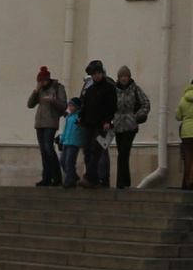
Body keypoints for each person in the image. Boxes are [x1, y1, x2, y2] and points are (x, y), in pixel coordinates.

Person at [77, 60, 118, 189]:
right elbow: (85, 106)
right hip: (89, 124)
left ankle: (91, 177)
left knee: (97, 150)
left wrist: (107, 121)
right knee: (87, 151)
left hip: (102, 125)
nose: (97, 76)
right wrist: (81, 118)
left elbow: (112, 106)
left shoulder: (109, 88)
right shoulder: (90, 90)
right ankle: (92, 177)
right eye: (95, 74)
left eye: (99, 73)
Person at [25, 67, 67, 186]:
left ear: (48, 79)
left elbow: (64, 105)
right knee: (43, 150)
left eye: (43, 81)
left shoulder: (58, 88)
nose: (42, 83)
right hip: (40, 123)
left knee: (49, 148)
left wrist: (52, 101)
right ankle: (46, 177)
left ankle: (57, 177)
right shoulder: (40, 90)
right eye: (39, 81)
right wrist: (36, 91)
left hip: (51, 122)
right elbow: (30, 104)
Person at [112, 66, 150, 190]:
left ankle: (120, 182)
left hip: (130, 126)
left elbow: (146, 103)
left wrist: (136, 116)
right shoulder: (114, 90)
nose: (123, 78)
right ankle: (126, 180)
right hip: (117, 126)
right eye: (121, 76)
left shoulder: (135, 89)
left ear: (129, 77)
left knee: (123, 153)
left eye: (126, 76)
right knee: (122, 153)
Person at [55, 99, 84, 188]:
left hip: (74, 142)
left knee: (69, 161)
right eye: (69, 106)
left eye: (71, 106)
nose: (70, 108)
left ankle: (70, 180)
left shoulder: (79, 117)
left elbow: (82, 129)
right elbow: (66, 129)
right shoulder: (69, 117)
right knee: (62, 161)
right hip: (67, 142)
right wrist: (61, 139)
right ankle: (73, 176)